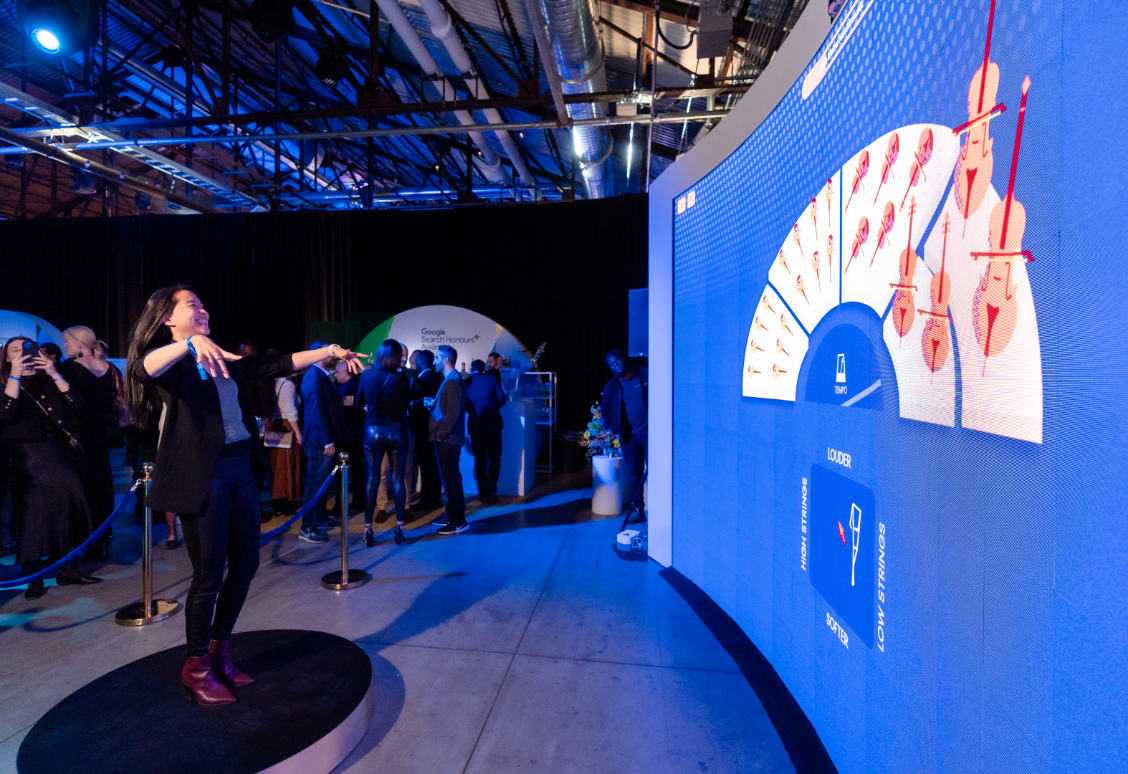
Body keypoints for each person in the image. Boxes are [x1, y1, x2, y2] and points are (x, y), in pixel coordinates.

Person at [126, 286, 363, 706]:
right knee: (208, 577)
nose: (204, 310)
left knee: (246, 566)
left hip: (241, 471)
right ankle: (196, 666)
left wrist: (330, 351)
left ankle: (220, 652)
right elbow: (141, 369)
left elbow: (280, 363)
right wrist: (189, 345)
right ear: (168, 318)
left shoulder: (223, 357)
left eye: (203, 304)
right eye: (193, 305)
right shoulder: (173, 362)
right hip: (205, 478)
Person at [1, 337, 100, 600]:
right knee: (33, 514)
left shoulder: (50, 379)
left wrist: (54, 372)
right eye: (14, 350)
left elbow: (78, 404)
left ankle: (68, 568)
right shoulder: (6, 383)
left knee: (68, 504)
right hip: (28, 455)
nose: (22, 354)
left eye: (26, 348)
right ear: (7, 358)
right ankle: (33, 576)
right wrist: (15, 375)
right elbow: (5, 414)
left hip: (60, 450)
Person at [58, 326, 119, 561]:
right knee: (102, 485)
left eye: (67, 341)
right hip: (101, 434)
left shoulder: (67, 369)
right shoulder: (109, 367)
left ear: (79, 343)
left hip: (76, 435)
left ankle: (82, 540)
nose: (65, 346)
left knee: (80, 487)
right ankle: (102, 539)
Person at [356, 340, 411, 547]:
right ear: (397, 357)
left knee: (372, 480)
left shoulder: (367, 375)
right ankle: (399, 529)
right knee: (398, 480)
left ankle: (368, 529)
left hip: (373, 432)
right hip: (396, 431)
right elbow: (406, 406)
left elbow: (358, 404)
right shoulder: (402, 378)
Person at [299, 343, 349, 544]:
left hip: (323, 440)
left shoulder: (319, 375)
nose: (333, 356)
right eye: (330, 352)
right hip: (319, 441)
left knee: (320, 483)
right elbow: (316, 412)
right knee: (315, 484)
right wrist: (327, 440)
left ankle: (318, 519)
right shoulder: (313, 377)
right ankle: (307, 527)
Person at [601, 349, 648, 512]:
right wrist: (616, 429)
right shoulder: (611, 387)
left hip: (650, 435)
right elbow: (605, 411)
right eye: (612, 364)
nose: (616, 364)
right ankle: (638, 510)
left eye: (617, 360)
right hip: (629, 438)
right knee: (635, 474)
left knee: (657, 471)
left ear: (624, 358)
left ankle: (660, 510)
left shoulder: (644, 374)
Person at [429, 345, 468, 535]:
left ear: (445, 359)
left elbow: (453, 413)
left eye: (437, 357)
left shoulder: (453, 381)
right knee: (450, 480)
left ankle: (458, 522)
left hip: (448, 440)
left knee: (452, 480)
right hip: (448, 439)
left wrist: (441, 434)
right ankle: (453, 517)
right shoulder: (451, 379)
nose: (434, 361)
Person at [465, 359, 507, 503]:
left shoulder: (466, 382)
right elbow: (502, 399)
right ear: (483, 370)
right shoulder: (491, 378)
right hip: (494, 424)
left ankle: (483, 493)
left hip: (476, 425)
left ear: (471, 369)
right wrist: (492, 405)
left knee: (480, 460)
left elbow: (464, 406)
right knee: (495, 459)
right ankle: (492, 492)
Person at [410, 350, 443, 512]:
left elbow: (419, 406)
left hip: (423, 428)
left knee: (425, 465)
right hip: (437, 427)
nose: (413, 365)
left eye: (414, 361)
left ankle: (426, 499)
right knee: (434, 463)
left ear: (422, 361)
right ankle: (436, 496)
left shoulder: (421, 380)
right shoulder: (440, 378)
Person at [268, 365, 303, 517]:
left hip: (276, 425)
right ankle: (281, 503)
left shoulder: (275, 382)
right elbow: (290, 410)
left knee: (278, 466)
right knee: (285, 466)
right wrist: (298, 432)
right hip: (286, 425)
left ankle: (279, 501)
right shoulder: (287, 384)